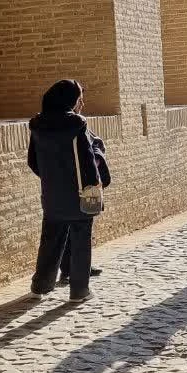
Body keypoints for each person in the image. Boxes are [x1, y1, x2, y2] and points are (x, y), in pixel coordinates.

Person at [27, 79, 108, 303]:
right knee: (81, 242)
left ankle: (40, 286)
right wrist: (95, 184)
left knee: (50, 241)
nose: (81, 103)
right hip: (79, 193)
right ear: (69, 99)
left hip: (52, 194)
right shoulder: (77, 124)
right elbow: (87, 160)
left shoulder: (37, 124)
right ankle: (79, 291)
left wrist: (53, 180)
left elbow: (33, 161)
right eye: (79, 98)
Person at [56, 134, 110, 286]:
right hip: (71, 186)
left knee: (80, 231)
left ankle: (81, 268)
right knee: (70, 230)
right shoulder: (70, 128)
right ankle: (68, 271)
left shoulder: (81, 127)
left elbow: (95, 144)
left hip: (74, 186)